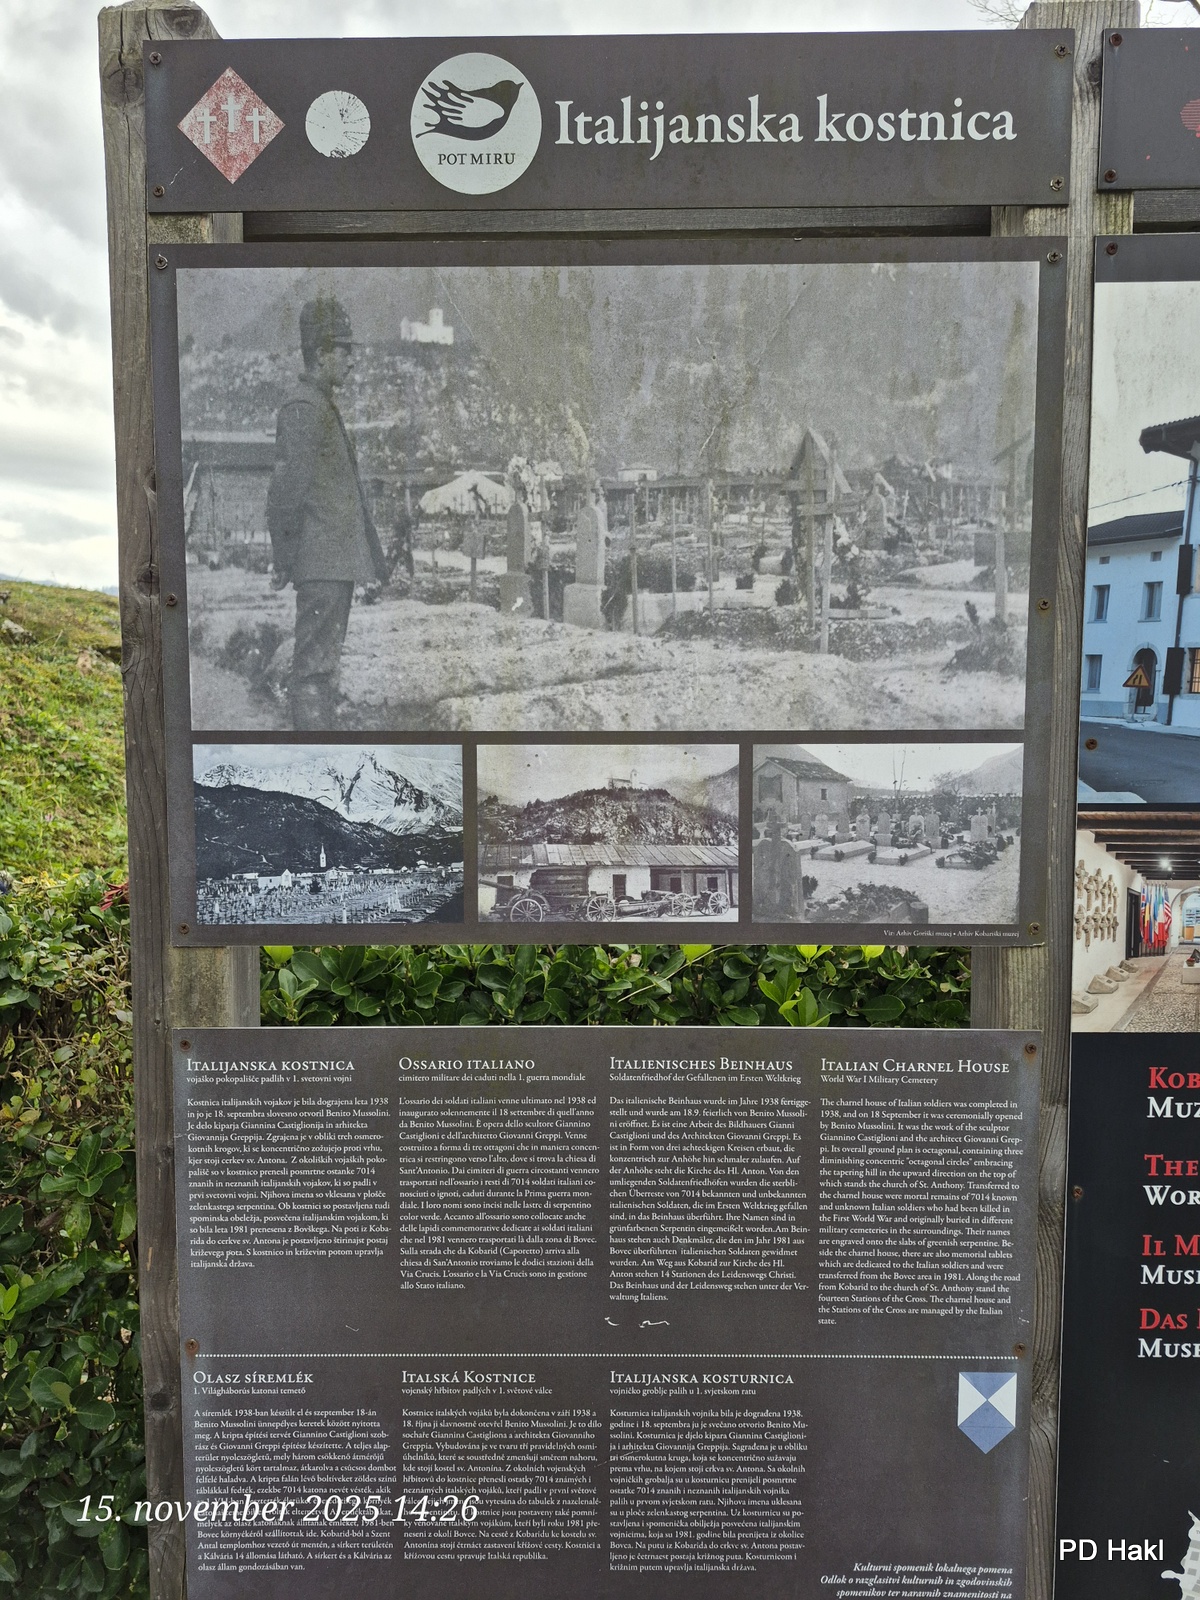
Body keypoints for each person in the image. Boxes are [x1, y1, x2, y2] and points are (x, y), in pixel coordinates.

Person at [266, 295, 389, 730]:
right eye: (344, 349)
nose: (352, 360)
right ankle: (314, 757)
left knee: (322, 672)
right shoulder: (303, 409)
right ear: (321, 354)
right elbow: (286, 493)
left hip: (331, 567)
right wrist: (284, 559)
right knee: (313, 674)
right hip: (322, 567)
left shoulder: (318, 405)